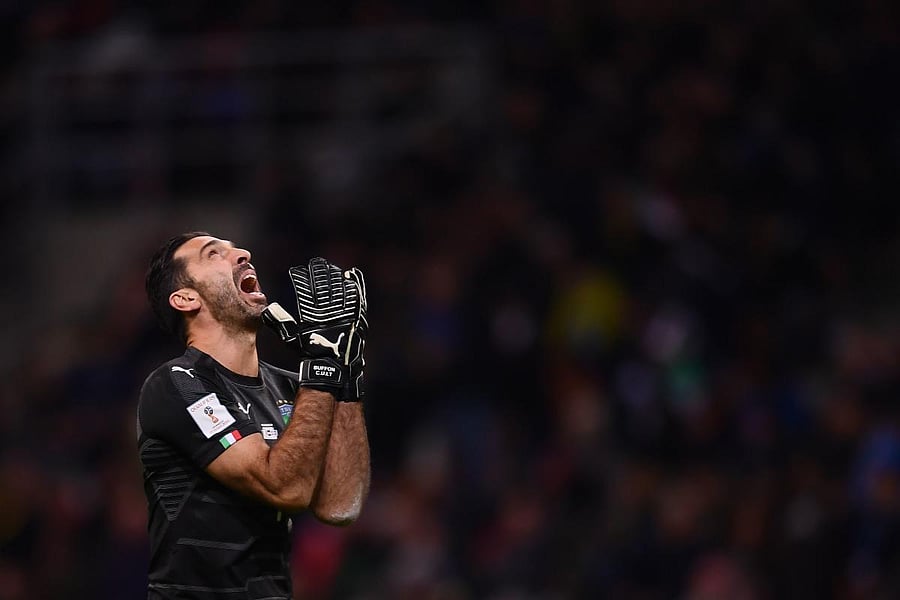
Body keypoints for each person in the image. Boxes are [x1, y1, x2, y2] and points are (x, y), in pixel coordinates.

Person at [137, 231, 370, 599]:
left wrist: (346, 374)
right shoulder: (177, 383)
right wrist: (322, 366)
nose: (244, 253)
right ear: (186, 298)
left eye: (236, 249)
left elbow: (340, 506)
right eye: (214, 254)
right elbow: (283, 487)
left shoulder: (296, 387)